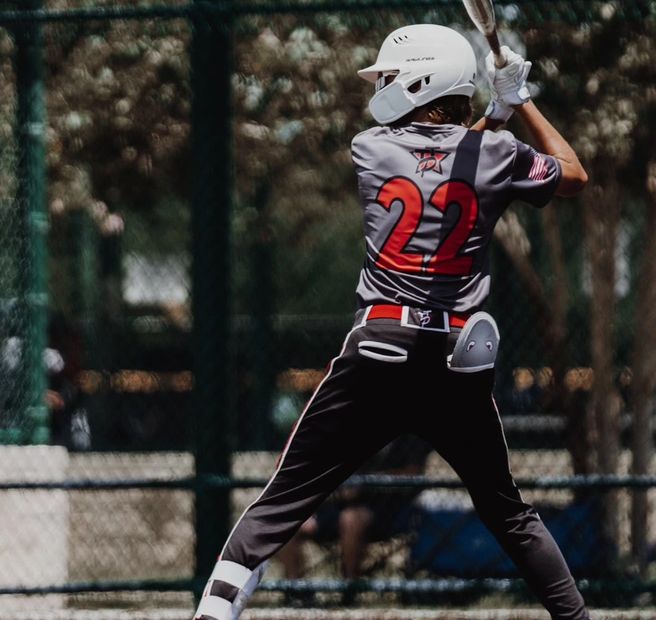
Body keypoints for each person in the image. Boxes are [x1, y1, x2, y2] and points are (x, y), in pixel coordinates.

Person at [192, 23, 590, 620]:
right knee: (506, 510)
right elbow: (570, 174)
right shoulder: (498, 155)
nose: (382, 87)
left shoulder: (371, 147)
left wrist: (496, 114)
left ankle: (213, 614)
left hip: (380, 348)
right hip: (454, 357)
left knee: (282, 499)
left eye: (392, 77)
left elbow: (442, 162)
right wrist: (517, 103)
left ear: (421, 83)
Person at [276, 435, 432, 581]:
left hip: (390, 511)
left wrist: (365, 483)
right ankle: (295, 589)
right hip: (341, 507)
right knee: (287, 520)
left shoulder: (409, 439)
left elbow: (412, 473)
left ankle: (348, 587)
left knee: (351, 519)